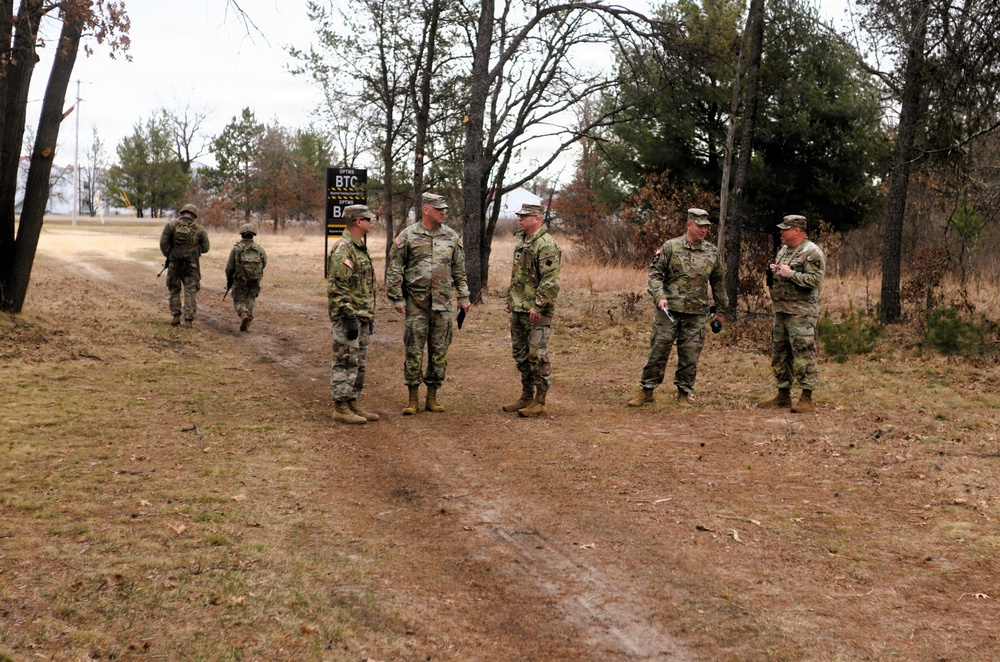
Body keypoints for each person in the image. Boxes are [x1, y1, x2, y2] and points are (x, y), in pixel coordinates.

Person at [627, 208, 728, 408]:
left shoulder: (711, 252)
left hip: (697, 313)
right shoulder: (670, 247)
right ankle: (647, 390)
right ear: (688, 225)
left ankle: (683, 394)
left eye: (706, 227)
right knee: (659, 350)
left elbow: (718, 283)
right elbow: (655, 275)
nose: (704, 230)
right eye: (700, 226)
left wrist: (720, 312)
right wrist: (659, 296)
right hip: (668, 311)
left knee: (690, 355)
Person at [385, 192, 471, 415]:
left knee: (439, 351)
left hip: (442, 304)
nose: (443, 212)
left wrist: (463, 297)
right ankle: (412, 399)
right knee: (413, 350)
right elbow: (395, 268)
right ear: (426, 210)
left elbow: (459, 271)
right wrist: (396, 297)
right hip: (416, 304)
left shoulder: (451, 237)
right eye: (438, 209)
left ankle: (432, 397)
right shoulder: (408, 236)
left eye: (445, 209)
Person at [759, 214, 826, 413]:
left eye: (785, 229)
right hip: (782, 310)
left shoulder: (811, 252)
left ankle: (806, 397)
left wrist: (791, 274)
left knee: (803, 353)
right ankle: (783, 395)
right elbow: (784, 273)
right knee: (780, 353)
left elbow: (815, 280)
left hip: (801, 313)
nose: (781, 232)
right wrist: (775, 271)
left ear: (796, 231)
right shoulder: (785, 250)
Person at [502, 203, 561, 418]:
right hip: (519, 307)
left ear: (537, 218)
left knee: (537, 354)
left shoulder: (546, 244)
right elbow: (518, 275)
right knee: (520, 354)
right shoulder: (523, 242)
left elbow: (551, 281)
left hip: (537, 310)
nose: (520, 218)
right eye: (519, 215)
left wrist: (539, 305)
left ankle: (540, 400)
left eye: (525, 216)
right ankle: (526, 395)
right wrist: (511, 299)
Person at [326, 205, 379, 425]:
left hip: (362, 315)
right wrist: (348, 316)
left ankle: (352, 402)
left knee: (359, 362)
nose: (371, 222)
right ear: (358, 221)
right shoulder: (344, 249)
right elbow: (338, 286)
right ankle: (340, 407)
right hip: (349, 315)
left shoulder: (358, 247)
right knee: (345, 359)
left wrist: (368, 315)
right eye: (369, 219)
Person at [159, 203, 210, 327]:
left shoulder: (171, 226)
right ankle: (188, 319)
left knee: (174, 290)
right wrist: (193, 251)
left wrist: (171, 256)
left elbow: (163, 244)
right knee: (190, 291)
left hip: (174, 265)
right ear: (193, 215)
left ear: (182, 213)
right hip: (191, 266)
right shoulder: (199, 229)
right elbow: (206, 248)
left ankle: (176, 316)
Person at [225, 223, 267, 332]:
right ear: (253, 234)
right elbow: (264, 263)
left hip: (239, 280)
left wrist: (229, 280)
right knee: (250, 299)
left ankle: (243, 314)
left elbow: (229, 267)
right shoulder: (259, 249)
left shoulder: (236, 249)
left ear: (241, 234)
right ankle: (248, 323)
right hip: (254, 280)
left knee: (239, 300)